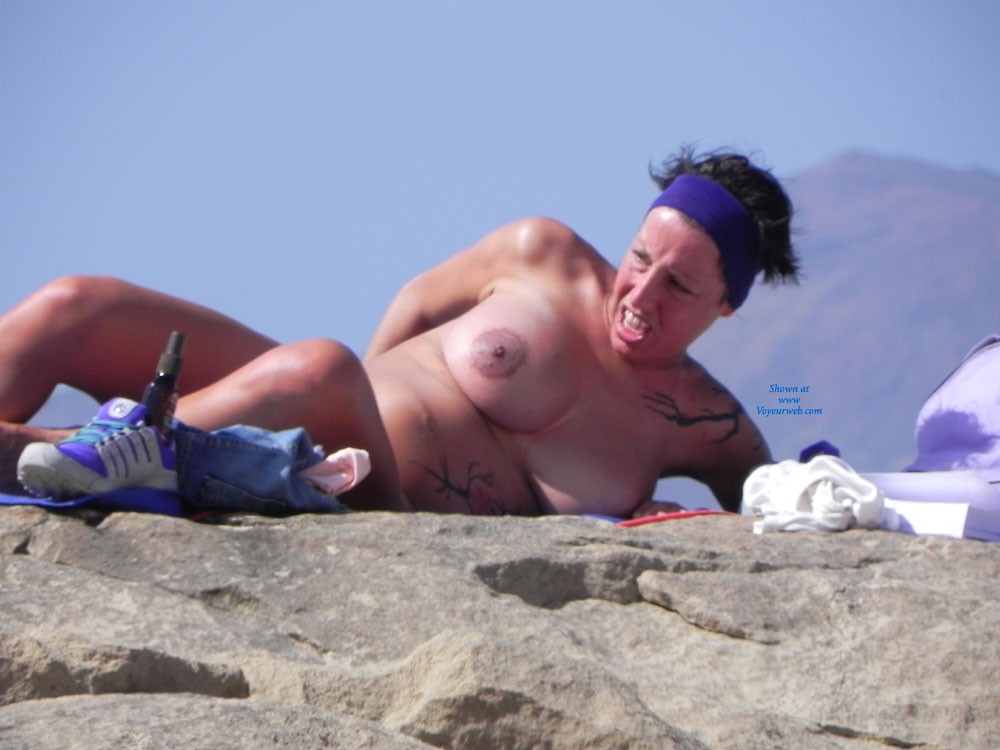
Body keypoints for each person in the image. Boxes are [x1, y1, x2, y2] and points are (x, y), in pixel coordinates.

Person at [0, 148, 799, 516]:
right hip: (330, 417)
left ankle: (79, 453)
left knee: (320, 368)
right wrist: (366, 401)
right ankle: (97, 450)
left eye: (678, 286)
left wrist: (671, 518)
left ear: (725, 306)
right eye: (640, 258)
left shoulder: (712, 426)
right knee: (79, 304)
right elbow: (419, 301)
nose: (640, 294)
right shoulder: (542, 252)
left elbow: (784, 505)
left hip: (387, 505)